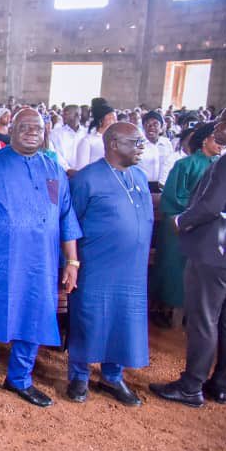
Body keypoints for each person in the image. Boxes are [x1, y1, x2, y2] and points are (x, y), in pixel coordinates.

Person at [0, 108, 82, 408]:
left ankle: (20, 379)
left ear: (45, 132)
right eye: (24, 126)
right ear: (10, 129)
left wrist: (73, 262)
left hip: (40, 265)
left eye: (37, 127)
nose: (31, 131)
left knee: (34, 319)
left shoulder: (54, 171)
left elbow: (66, 218)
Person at [150, 103, 226, 407]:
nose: (217, 126)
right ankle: (222, 385)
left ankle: (191, 386)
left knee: (204, 318)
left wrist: (180, 221)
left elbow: (210, 206)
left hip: (214, 251)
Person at [66, 123, 153, 405]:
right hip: (96, 265)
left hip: (132, 268)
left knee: (123, 320)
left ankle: (112, 377)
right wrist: (72, 262)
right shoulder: (87, 179)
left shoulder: (139, 175)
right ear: (114, 144)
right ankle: (79, 376)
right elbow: (70, 224)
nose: (141, 147)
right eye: (135, 142)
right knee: (89, 318)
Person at [150, 123, 220, 327]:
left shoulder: (221, 165)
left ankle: (193, 311)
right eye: (216, 139)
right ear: (205, 139)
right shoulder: (185, 164)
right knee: (173, 267)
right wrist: (196, 213)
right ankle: (163, 309)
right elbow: (173, 197)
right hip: (178, 223)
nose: (220, 144)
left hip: (207, 226)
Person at [137, 111, 175, 192]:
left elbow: (170, 164)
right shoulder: (138, 143)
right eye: (147, 124)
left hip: (163, 185)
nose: (151, 127)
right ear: (143, 127)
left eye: (155, 124)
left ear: (161, 127)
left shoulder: (166, 143)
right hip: (142, 184)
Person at [74, 100, 116, 170]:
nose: (114, 122)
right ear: (101, 120)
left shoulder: (116, 139)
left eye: (115, 119)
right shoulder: (88, 141)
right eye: (111, 118)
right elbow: (81, 168)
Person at [50, 104, 87, 174]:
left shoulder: (86, 133)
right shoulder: (56, 133)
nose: (63, 116)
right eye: (63, 114)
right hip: (62, 172)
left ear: (77, 115)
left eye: (66, 114)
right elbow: (55, 153)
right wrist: (67, 169)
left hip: (83, 173)